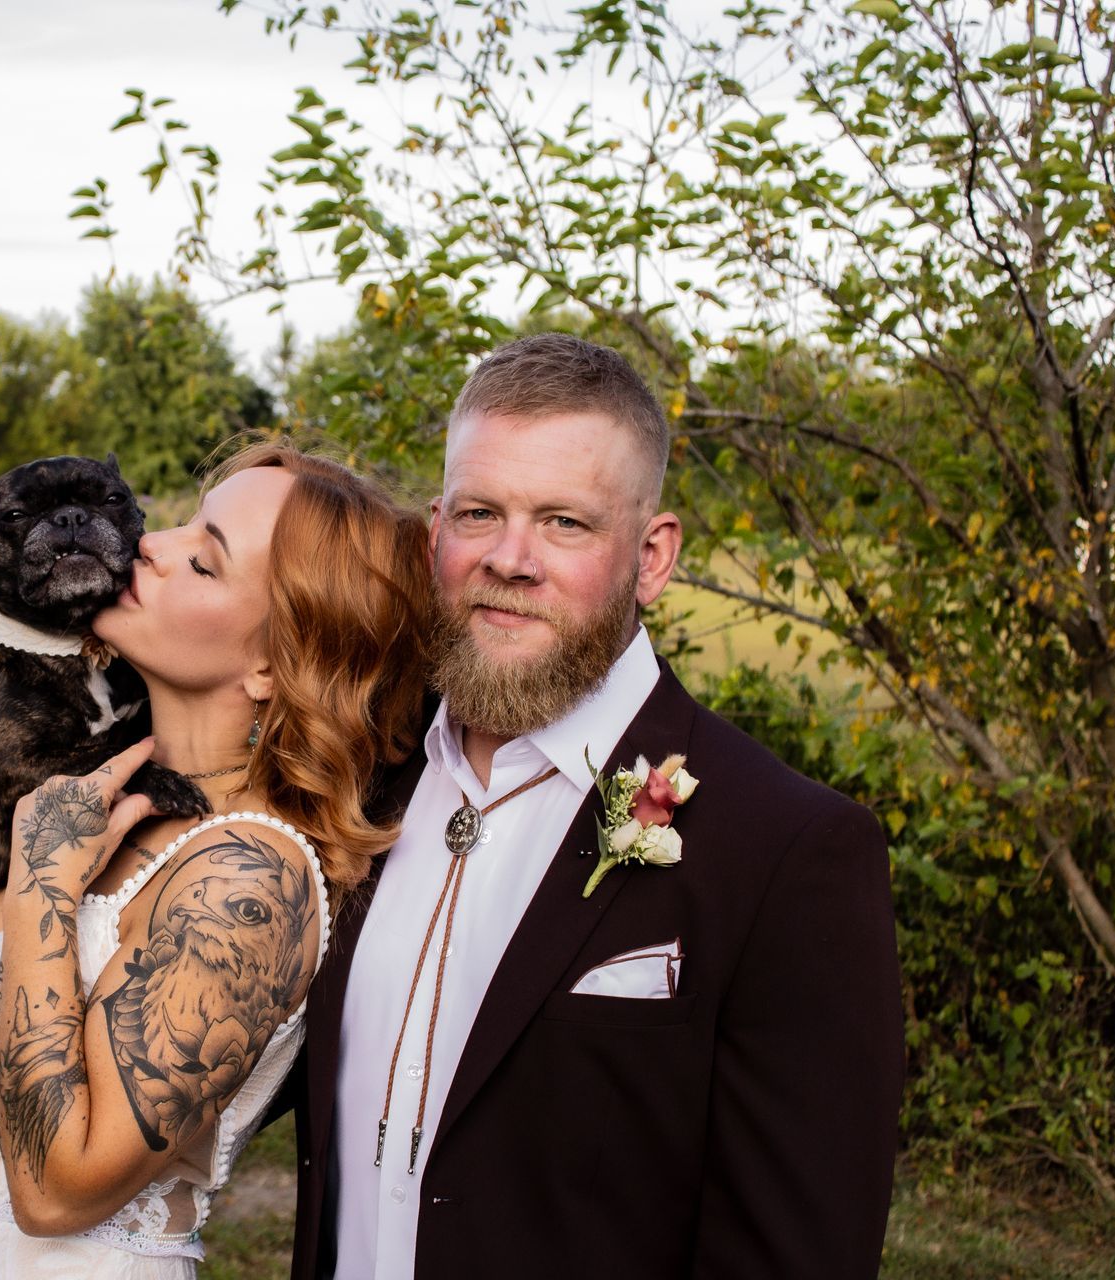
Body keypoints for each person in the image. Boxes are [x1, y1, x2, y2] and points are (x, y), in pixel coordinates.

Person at [291, 333, 905, 1278]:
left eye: (566, 523)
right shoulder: (363, 784)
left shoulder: (787, 851)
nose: (511, 559)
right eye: (480, 512)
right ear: (433, 538)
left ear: (652, 557)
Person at [0, 442, 434, 1277]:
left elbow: (59, 1191)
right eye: (174, 521)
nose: (154, 543)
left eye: (203, 559)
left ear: (274, 663)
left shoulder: (245, 880)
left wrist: (42, 888)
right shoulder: (87, 805)